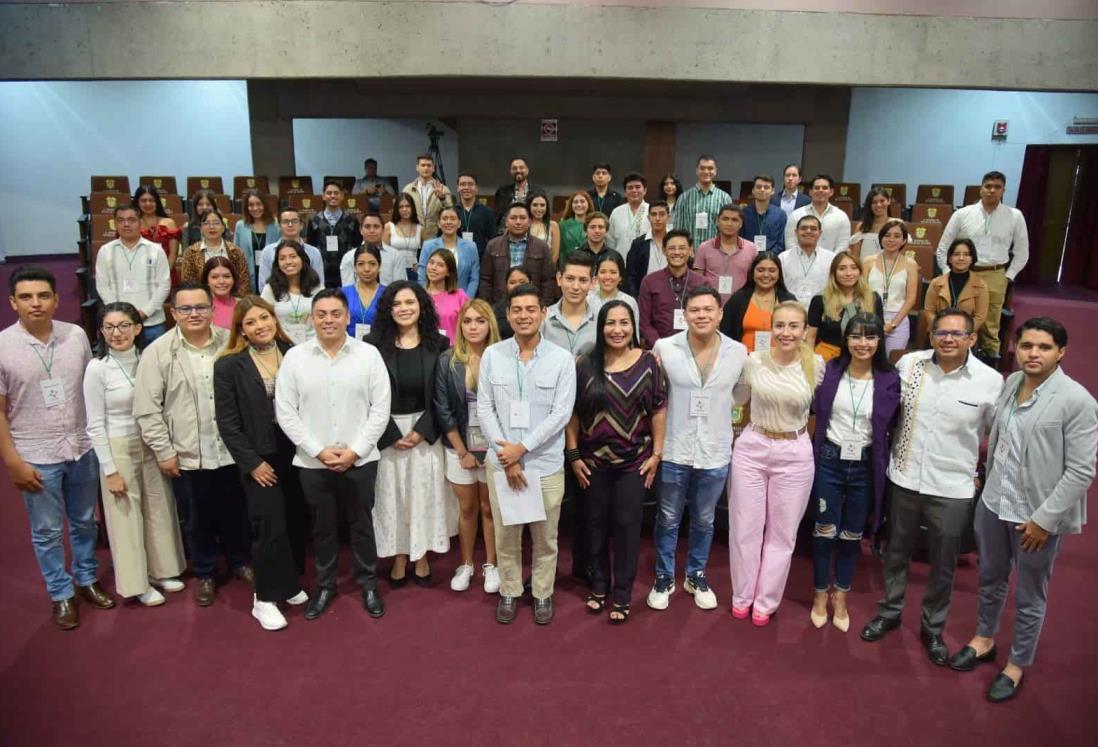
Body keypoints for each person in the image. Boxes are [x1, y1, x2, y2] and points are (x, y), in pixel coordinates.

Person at [948, 317, 1097, 703]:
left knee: (1030, 594)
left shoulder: (1077, 401)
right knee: (991, 578)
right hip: (995, 503)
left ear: (1061, 352)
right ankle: (984, 639)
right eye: (1028, 345)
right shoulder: (1012, 383)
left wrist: (1045, 521)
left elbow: (1082, 470)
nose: (1034, 353)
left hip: (1035, 518)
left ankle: (1016, 664)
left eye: (1044, 347)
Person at [860, 308, 1003, 667]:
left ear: (972, 339)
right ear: (932, 335)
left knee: (943, 564)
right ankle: (890, 612)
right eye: (942, 333)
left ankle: (932, 628)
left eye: (957, 334)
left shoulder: (989, 381)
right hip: (905, 477)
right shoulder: (911, 365)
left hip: (952, 486)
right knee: (896, 552)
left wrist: (979, 475)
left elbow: (994, 435)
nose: (948, 339)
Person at [0, 266, 115, 629]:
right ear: (13, 302)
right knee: (47, 530)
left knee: (85, 521)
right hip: (36, 453)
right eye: (26, 297)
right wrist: (12, 461)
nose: (36, 304)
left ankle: (85, 578)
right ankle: (61, 593)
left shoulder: (75, 336)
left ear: (56, 299)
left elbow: (90, 388)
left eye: (43, 296)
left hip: (81, 445)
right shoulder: (2, 346)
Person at [133, 282, 253, 607]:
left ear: (213, 310)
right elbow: (146, 408)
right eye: (185, 308)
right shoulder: (157, 352)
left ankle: (240, 561)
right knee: (198, 518)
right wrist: (164, 451)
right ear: (173, 313)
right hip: (187, 453)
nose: (194, 314)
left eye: (201, 307)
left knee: (236, 511)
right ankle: (205, 572)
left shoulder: (231, 343)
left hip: (230, 450)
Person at [275, 289, 391, 620]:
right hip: (313, 462)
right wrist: (318, 450)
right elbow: (286, 412)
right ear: (311, 319)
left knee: (362, 524)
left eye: (336, 313)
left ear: (348, 317)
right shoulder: (295, 358)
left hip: (361, 460)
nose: (329, 320)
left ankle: (368, 584)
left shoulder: (369, 356)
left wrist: (355, 451)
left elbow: (380, 409)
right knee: (323, 528)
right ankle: (326, 586)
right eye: (322, 314)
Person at [478, 283, 576, 625]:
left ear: (543, 313)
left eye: (531, 309)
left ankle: (542, 592)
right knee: (507, 535)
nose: (524, 316)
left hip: (545, 465)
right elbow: (485, 408)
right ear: (507, 315)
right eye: (516, 310)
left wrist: (522, 448)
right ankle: (509, 589)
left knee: (545, 537)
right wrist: (506, 454)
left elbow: (561, 414)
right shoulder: (493, 355)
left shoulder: (562, 360)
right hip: (502, 464)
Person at [647, 287, 747, 612]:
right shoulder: (664, 347)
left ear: (719, 314)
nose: (701, 315)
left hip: (715, 448)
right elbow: (654, 392)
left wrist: (722, 408)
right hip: (675, 445)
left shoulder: (738, 352)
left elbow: (742, 393)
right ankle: (664, 576)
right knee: (668, 517)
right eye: (694, 310)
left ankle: (696, 574)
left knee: (704, 520)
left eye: (708, 310)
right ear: (684, 314)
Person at [568, 300, 667, 623]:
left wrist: (656, 454)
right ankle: (599, 585)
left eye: (624, 323)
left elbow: (659, 409)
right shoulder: (584, 364)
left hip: (633, 463)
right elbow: (573, 414)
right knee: (594, 524)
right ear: (601, 327)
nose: (617, 330)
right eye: (611, 323)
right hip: (593, 462)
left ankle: (622, 593)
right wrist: (573, 455)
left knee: (626, 528)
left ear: (633, 326)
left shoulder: (649, 363)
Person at [213, 296, 308, 631]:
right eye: (250, 322)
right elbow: (227, 423)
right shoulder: (228, 364)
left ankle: (291, 584)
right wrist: (252, 463)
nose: (260, 326)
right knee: (268, 525)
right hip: (259, 456)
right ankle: (264, 599)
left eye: (264, 318)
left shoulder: (294, 351)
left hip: (297, 451)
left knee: (295, 521)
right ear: (241, 329)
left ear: (274, 318)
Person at [84, 302, 186, 608]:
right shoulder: (97, 368)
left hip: (150, 442)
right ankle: (137, 582)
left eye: (124, 326)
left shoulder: (148, 358)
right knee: (125, 517)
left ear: (138, 328)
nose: (117, 333)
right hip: (117, 445)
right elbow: (94, 425)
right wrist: (110, 469)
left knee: (159, 506)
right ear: (101, 331)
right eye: (109, 327)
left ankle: (162, 570)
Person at [728, 301, 824, 625]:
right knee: (745, 529)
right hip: (752, 448)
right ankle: (741, 595)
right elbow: (737, 401)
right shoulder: (754, 361)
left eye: (793, 326)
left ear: (804, 329)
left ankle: (765, 602)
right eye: (779, 325)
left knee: (782, 535)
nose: (786, 333)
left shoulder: (817, 365)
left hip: (794, 452)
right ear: (771, 327)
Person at [808, 312, 900, 632]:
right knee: (824, 531)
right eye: (856, 336)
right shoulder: (830, 370)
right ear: (846, 339)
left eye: (870, 337)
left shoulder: (890, 378)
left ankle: (841, 596)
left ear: (880, 341)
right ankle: (820, 594)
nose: (863, 343)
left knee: (851, 534)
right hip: (830, 458)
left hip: (865, 463)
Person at [365, 282, 455, 589]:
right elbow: (365, 396)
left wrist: (422, 431)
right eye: (397, 304)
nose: (404, 308)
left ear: (422, 306)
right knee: (393, 497)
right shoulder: (372, 345)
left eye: (410, 302)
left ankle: (421, 556)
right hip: (385, 430)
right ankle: (398, 556)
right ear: (388, 310)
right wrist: (389, 433)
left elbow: (444, 396)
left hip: (425, 431)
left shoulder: (440, 344)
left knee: (424, 495)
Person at [434, 298, 502, 593]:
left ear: (491, 325)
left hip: (493, 449)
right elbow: (443, 408)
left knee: (490, 509)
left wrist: (492, 450)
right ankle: (466, 564)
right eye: (467, 321)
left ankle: (491, 565)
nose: (473, 327)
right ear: (459, 325)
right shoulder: (447, 360)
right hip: (458, 448)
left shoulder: (502, 358)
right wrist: (462, 451)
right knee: (467, 509)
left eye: (480, 321)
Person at [935, 171, 1029, 364]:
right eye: (988, 186)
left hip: (996, 273)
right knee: (958, 317)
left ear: (1003, 190)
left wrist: (1009, 276)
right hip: (963, 274)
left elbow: (1022, 252)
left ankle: (989, 361)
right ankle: (952, 358)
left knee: (990, 323)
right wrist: (947, 273)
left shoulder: (1014, 216)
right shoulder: (963, 214)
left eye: (997, 187)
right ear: (981, 188)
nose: (992, 190)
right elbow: (943, 248)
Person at [96, 204, 172, 345]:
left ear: (140, 222)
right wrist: (122, 315)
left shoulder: (155, 250)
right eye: (121, 220)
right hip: (118, 325)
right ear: (115, 224)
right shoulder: (105, 251)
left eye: (131, 220)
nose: (126, 224)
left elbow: (164, 285)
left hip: (152, 323)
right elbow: (102, 286)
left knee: (156, 365)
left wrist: (144, 313)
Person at [806, 251, 884, 360]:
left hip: (863, 356)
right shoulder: (820, 299)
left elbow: (879, 336)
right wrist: (810, 362)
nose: (849, 273)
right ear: (834, 273)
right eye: (842, 268)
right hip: (827, 357)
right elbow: (810, 337)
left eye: (853, 268)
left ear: (860, 272)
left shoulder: (873, 298)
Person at [637, 229, 708, 348]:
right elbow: (644, 323)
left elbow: (707, 320)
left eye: (682, 248)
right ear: (664, 251)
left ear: (690, 250)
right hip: (658, 350)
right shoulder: (649, 282)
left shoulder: (702, 283)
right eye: (672, 248)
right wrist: (662, 347)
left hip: (695, 350)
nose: (677, 252)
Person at [477, 202, 557, 306]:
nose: (518, 222)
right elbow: (485, 280)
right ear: (506, 222)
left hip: (531, 305)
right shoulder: (493, 246)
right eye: (513, 218)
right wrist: (488, 307)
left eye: (522, 218)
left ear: (529, 222)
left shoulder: (541, 247)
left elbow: (548, 281)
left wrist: (542, 306)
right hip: (499, 305)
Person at [719, 251, 796, 352]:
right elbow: (725, 334)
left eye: (772, 270)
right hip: (745, 360)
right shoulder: (738, 299)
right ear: (752, 272)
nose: (766, 275)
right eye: (760, 270)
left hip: (780, 360)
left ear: (779, 274)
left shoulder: (789, 300)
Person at [864, 220, 920, 355]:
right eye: (887, 235)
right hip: (870, 316)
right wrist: (871, 319)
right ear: (881, 238)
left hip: (898, 319)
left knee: (892, 362)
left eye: (897, 236)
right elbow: (862, 293)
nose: (891, 239)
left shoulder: (910, 264)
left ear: (904, 240)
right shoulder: (868, 261)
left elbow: (911, 299)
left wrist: (893, 324)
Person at [693, 203, 758, 305]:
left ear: (741, 224)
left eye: (734, 220)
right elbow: (697, 281)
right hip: (711, 305)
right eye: (725, 219)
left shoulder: (752, 249)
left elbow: (754, 281)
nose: (729, 223)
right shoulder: (704, 247)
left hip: (742, 305)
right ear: (717, 221)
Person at [260, 240, 321, 344]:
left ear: (302, 259)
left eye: (293, 256)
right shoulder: (270, 289)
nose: (288, 262)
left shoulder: (316, 288)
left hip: (313, 344)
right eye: (282, 258)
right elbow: (263, 318)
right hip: (281, 344)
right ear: (277, 263)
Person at [541, 250, 599, 358]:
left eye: (583, 280)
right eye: (570, 278)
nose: (575, 287)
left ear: (592, 283)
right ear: (559, 279)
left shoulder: (601, 320)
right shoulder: (543, 319)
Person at [925, 238, 989, 334]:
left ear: (972, 258)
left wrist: (961, 334)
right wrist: (941, 331)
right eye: (956, 254)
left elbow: (980, 317)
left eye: (966, 254)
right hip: (938, 334)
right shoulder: (936, 283)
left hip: (966, 337)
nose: (961, 258)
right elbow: (929, 311)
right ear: (950, 258)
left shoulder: (981, 286)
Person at [306, 180, 362, 289]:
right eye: (329, 193)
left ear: (342, 196)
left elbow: (357, 245)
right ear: (323, 196)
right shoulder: (314, 219)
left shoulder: (352, 219)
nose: (333, 196)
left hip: (346, 269)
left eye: (336, 193)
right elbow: (311, 247)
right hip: (321, 270)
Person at [180, 206, 251, 290]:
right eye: (206, 223)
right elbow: (188, 284)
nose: (211, 227)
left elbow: (244, 283)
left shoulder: (236, 251)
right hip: (202, 300)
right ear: (201, 229)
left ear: (223, 228)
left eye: (216, 223)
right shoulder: (191, 252)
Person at [671, 155, 732, 246]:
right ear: (696, 171)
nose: (706, 171)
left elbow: (728, 229)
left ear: (715, 171)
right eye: (702, 168)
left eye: (710, 168)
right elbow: (678, 230)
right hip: (690, 255)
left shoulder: (725, 198)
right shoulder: (683, 198)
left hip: (716, 253)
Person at [419, 206, 479, 297]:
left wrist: (466, 300)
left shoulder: (471, 247)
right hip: (433, 300)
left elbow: (474, 278)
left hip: (462, 301)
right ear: (439, 223)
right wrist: (427, 298)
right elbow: (422, 276)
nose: (448, 222)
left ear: (459, 223)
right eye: (444, 218)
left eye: (453, 219)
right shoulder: (428, 246)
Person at [257, 209, 323, 292]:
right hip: (276, 300)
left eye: (294, 221)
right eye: (285, 221)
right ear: (279, 226)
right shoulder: (268, 251)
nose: (290, 224)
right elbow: (263, 285)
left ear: (301, 225)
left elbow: (319, 284)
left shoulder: (314, 252)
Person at [341, 210, 409, 288]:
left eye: (376, 226)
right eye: (367, 226)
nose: (372, 230)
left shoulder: (395, 256)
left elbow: (399, 288)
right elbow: (348, 290)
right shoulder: (349, 257)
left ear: (383, 229)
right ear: (360, 230)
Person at [785, 174, 852, 255]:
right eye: (817, 188)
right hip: (800, 263)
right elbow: (790, 242)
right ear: (810, 192)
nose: (820, 190)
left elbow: (843, 245)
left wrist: (830, 262)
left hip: (831, 265)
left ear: (831, 192)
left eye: (824, 188)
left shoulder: (841, 216)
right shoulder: (796, 215)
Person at [780, 215, 836, 308]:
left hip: (822, 311)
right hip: (790, 311)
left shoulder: (831, 258)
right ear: (796, 232)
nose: (808, 231)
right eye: (803, 228)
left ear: (820, 233)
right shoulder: (783, 258)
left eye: (813, 229)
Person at [133, 184, 181, 283]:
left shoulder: (169, 223)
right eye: (143, 200)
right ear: (137, 202)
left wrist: (163, 276)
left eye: (151, 200)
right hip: (139, 276)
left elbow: (173, 254)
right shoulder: (133, 224)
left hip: (166, 275)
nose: (148, 204)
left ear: (157, 202)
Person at [233, 188, 280, 290]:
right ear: (246, 207)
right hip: (247, 278)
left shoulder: (276, 225)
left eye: (258, 204)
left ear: (264, 205)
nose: (255, 208)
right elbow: (235, 254)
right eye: (251, 205)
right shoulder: (240, 226)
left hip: (272, 276)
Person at [422, 248, 470, 341]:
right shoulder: (418, 295)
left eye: (440, 265)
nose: (433, 268)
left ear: (449, 272)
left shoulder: (460, 296)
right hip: (425, 349)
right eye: (431, 262)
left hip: (453, 350)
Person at [402, 153, 453, 241]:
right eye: (423, 165)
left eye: (429, 165)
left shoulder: (443, 189)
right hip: (412, 236)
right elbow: (402, 213)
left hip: (435, 237)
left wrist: (442, 198)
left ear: (433, 168)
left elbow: (451, 211)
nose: (426, 168)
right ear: (417, 168)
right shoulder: (408, 189)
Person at [625, 200, 670, 296]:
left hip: (672, 293)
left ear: (668, 217)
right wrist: (635, 298)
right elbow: (630, 276)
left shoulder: (676, 242)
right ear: (648, 218)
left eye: (662, 214)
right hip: (646, 295)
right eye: (654, 214)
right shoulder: (638, 244)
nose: (657, 218)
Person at [341, 244, 386, 339]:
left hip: (380, 348)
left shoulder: (388, 294)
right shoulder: (343, 294)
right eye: (361, 264)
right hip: (349, 348)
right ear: (354, 267)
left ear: (379, 266)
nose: (367, 269)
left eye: (372, 264)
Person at [740, 174, 787, 254]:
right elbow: (740, 239)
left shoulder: (780, 214)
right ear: (753, 190)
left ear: (772, 191)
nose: (762, 190)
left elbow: (781, 243)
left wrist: (767, 257)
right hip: (747, 257)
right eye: (758, 187)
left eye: (766, 187)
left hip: (771, 260)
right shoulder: (743, 213)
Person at [589, 250, 639, 324]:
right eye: (603, 272)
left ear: (620, 277)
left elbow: (634, 333)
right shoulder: (587, 301)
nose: (607, 277)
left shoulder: (629, 302)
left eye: (613, 272)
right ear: (596, 275)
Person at [605, 172, 650, 253]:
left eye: (638, 187)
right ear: (625, 192)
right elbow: (610, 241)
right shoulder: (616, 212)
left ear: (645, 190)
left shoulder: (651, 211)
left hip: (646, 261)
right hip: (621, 260)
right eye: (630, 188)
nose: (634, 190)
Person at [454, 172, 495, 258]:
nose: (466, 187)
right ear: (457, 188)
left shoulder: (487, 212)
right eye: (462, 184)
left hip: (480, 258)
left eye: (470, 184)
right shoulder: (452, 211)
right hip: (457, 258)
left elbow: (493, 239)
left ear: (476, 188)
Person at [383, 193, 423, 281]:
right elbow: (383, 252)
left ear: (413, 208)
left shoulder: (420, 228)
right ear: (396, 210)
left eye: (408, 206)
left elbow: (426, 251)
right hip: (394, 270)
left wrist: (421, 264)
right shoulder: (389, 226)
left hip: (414, 272)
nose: (404, 209)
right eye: (401, 207)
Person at [493, 156, 540, 229]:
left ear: (527, 170)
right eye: (514, 168)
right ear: (511, 171)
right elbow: (497, 217)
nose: (518, 170)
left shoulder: (538, 192)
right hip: (506, 234)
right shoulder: (502, 192)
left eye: (521, 167)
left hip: (531, 233)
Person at [849, 187, 893, 261]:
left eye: (882, 201)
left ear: (889, 201)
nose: (878, 205)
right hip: (865, 270)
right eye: (874, 202)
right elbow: (855, 257)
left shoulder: (897, 224)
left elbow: (901, 254)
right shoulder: (861, 226)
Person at [202, 256, 243, 330]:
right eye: (214, 277)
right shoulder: (199, 308)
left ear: (233, 279)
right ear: (207, 281)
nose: (221, 281)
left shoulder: (243, 305)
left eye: (226, 276)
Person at [493, 266, 530, 341]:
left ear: (531, 283)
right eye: (512, 282)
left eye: (522, 282)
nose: (517, 285)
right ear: (506, 285)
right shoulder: (495, 310)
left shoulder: (539, 307)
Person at [558, 191, 593, 263]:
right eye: (575, 202)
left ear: (588, 204)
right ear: (571, 205)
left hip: (589, 265)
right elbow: (561, 251)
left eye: (582, 201)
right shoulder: (562, 225)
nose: (579, 204)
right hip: (568, 265)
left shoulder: (594, 224)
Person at [527, 192, 562, 265]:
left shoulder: (553, 225)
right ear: (529, 206)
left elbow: (555, 255)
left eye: (542, 205)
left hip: (546, 268)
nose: (539, 209)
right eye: (535, 205)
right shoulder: (523, 224)